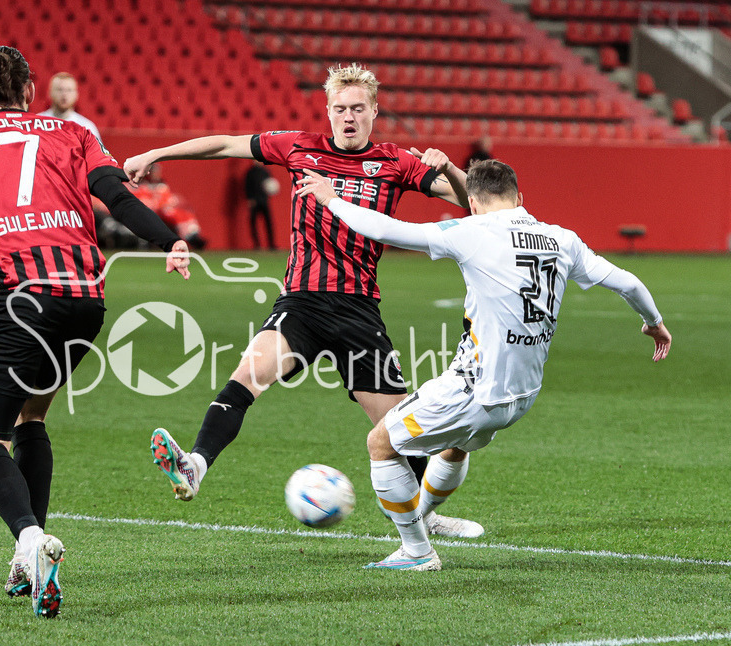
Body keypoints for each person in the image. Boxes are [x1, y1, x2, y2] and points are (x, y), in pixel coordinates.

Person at [124, 63, 482, 538]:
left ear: (375, 111)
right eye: (340, 109)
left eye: (358, 108)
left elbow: (474, 202)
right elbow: (226, 144)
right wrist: (157, 152)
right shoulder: (299, 147)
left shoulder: (396, 162)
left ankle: (425, 517)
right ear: (328, 111)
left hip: (358, 311)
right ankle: (195, 465)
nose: (349, 117)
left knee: (400, 429)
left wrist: (450, 169)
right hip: (301, 303)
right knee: (247, 376)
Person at [0, 45, 191, 619]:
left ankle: (31, 538)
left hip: (19, 299)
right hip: (84, 300)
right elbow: (116, 196)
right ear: (32, 93)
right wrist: (170, 239)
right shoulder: (75, 133)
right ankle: (27, 556)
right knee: (30, 418)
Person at [295, 159, 671, 570]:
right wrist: (653, 323)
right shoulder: (562, 239)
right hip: (522, 395)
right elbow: (629, 283)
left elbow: (386, 229)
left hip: (474, 389)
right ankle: (424, 517)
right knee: (456, 444)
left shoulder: (471, 231)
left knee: (381, 444)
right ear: (519, 197)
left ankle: (417, 552)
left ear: (472, 203)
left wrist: (331, 200)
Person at [38, 72, 101, 143]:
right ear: (50, 93)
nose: (64, 94)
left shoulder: (86, 127)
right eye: (60, 89)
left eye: (69, 90)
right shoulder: (37, 124)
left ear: (76, 94)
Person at [244, 161, 278, 250]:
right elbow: (247, 186)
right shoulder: (250, 172)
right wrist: (250, 198)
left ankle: (271, 244)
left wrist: (270, 194)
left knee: (268, 223)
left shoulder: (265, 172)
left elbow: (269, 185)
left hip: (264, 200)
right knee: (253, 224)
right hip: (254, 201)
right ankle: (257, 245)